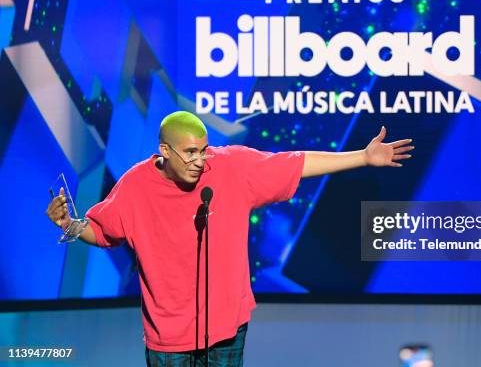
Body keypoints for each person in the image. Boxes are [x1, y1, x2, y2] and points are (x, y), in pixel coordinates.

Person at [46, 111, 414, 366]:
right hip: (168, 336)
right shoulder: (134, 186)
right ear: (164, 152)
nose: (198, 160)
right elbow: (105, 230)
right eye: (189, 152)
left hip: (225, 325)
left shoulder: (232, 167)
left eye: (203, 150)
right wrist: (70, 225)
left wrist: (363, 157)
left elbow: (297, 163)